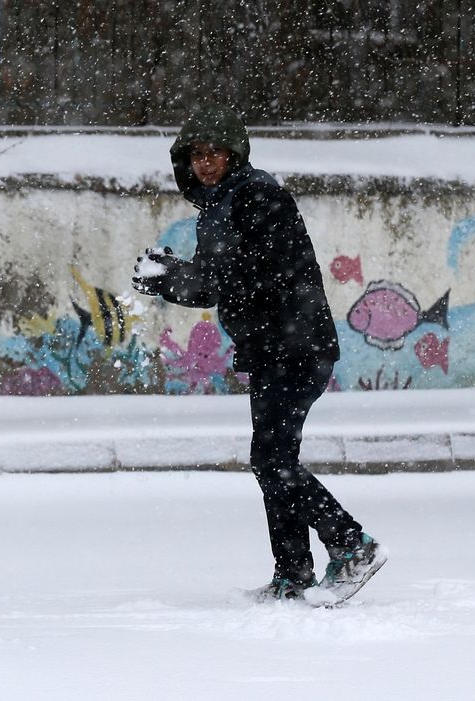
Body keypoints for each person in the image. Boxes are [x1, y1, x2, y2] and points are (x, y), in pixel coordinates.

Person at [131, 106, 387, 604]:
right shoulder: (220, 205)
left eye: (215, 153)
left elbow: (243, 274)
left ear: (235, 155)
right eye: (197, 155)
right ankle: (292, 576)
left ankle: (353, 545)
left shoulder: (257, 196)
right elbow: (215, 285)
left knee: (271, 460)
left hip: (296, 347)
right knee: (274, 460)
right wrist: (170, 279)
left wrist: (177, 277)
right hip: (272, 350)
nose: (205, 163)